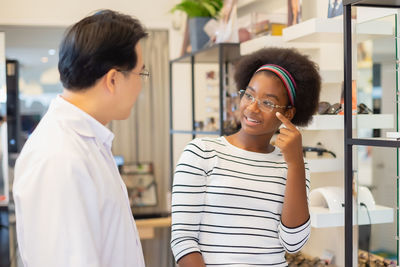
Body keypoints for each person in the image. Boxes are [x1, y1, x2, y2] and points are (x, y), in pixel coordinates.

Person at [13, 10, 148, 267]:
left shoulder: (87, 142)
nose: (141, 86)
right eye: (140, 73)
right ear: (113, 79)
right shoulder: (59, 156)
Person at [171, 47, 321, 266]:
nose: (252, 108)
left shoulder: (294, 166)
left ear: (288, 113)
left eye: (267, 102)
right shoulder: (201, 152)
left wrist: (295, 162)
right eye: (249, 95)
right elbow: (183, 241)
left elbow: (294, 243)